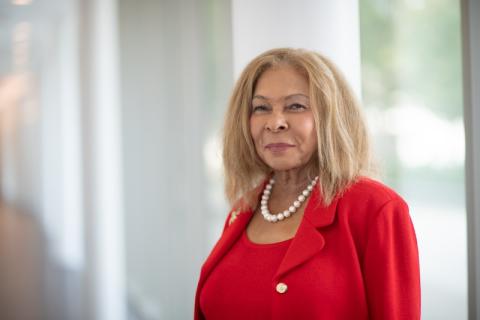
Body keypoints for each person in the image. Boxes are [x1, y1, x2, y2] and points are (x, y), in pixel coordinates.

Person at [194, 48, 420, 319]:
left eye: (296, 106)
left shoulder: (376, 208)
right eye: (261, 108)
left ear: (331, 117)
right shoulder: (243, 209)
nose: (275, 122)